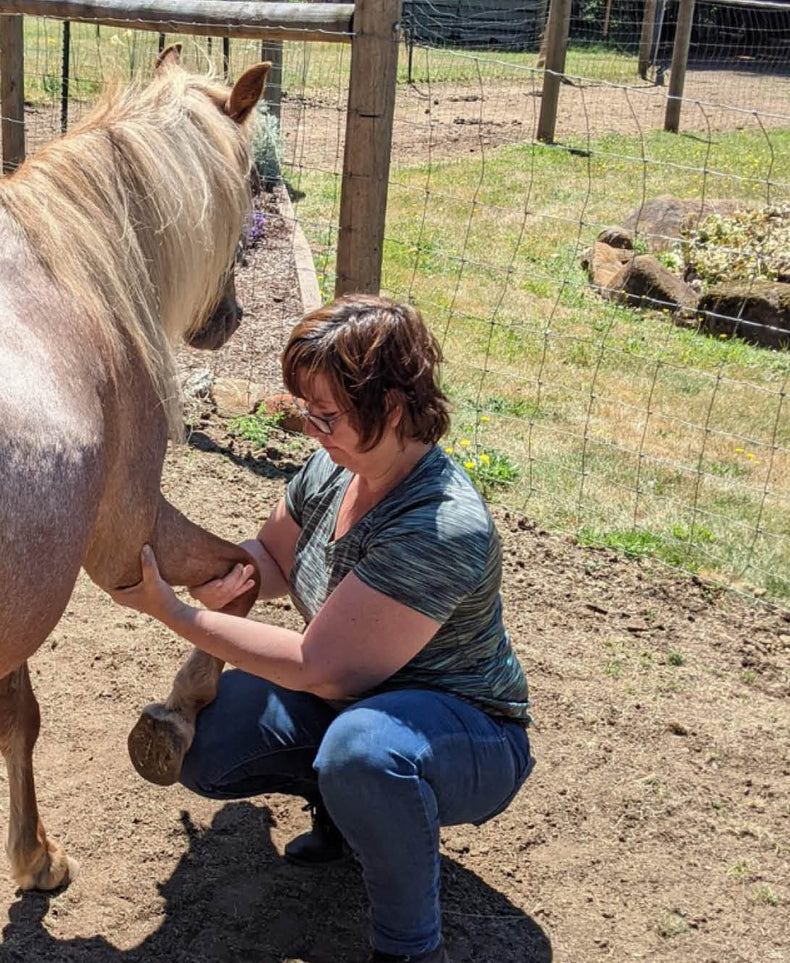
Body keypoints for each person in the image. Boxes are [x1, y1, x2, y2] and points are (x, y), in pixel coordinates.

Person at [107, 295, 534, 963]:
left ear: (391, 407)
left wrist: (175, 612)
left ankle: (409, 947)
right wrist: (191, 561)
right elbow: (271, 560)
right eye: (305, 409)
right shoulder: (338, 466)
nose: (308, 428)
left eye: (325, 414)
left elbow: (318, 666)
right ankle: (345, 815)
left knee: (364, 752)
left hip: (466, 733)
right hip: (356, 704)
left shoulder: (438, 526)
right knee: (212, 743)